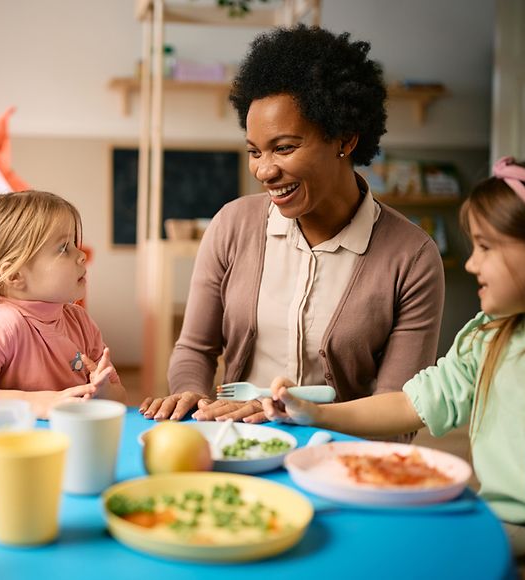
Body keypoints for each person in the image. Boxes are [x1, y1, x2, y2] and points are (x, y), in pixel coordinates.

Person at [262, 155, 525, 577]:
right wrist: (316, 413)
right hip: (496, 525)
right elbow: (410, 404)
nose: (471, 264)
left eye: (487, 248)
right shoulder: (486, 338)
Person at [140, 25, 445, 424]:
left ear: (345, 138)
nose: (264, 170)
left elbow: (400, 409)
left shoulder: (412, 258)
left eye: (284, 148)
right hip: (239, 442)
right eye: (254, 151)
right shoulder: (232, 226)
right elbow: (195, 349)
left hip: (338, 457)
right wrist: (191, 396)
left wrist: (296, 416)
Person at [0, 190, 126, 418]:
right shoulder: (3, 324)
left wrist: (104, 392)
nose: (81, 255)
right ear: (14, 275)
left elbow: (120, 397)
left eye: (73, 244)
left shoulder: (80, 321)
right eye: (63, 248)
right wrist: (32, 401)